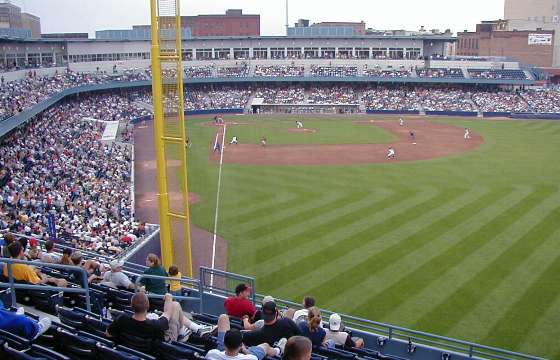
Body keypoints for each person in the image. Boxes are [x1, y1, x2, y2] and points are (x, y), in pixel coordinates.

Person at [206, 315, 284, 360]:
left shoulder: (212, 354)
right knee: (265, 346)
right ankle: (279, 349)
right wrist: (245, 350)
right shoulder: (250, 358)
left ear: (224, 343)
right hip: (244, 353)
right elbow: (250, 356)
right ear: (241, 345)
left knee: (223, 317)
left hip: (223, 352)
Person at [2, 241, 67, 287]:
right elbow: (37, 283)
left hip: (17, 286)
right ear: (20, 252)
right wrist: (45, 278)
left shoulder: (6, 264)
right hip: (32, 289)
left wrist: (35, 271)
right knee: (63, 281)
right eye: (22, 250)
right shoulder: (24, 268)